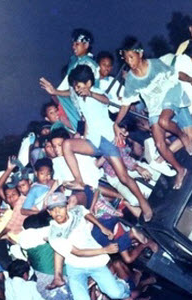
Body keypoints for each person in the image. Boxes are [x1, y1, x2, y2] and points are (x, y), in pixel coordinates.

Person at [46, 64, 154, 221]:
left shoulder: (96, 92)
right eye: (75, 86)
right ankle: (79, 180)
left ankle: (145, 205)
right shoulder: (76, 94)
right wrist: (54, 92)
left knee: (123, 177)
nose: (77, 89)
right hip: (93, 141)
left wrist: (90, 93)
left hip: (107, 141)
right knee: (67, 145)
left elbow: (106, 100)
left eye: (80, 86)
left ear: (89, 83)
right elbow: (69, 93)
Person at [45, 192, 135, 300]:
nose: (57, 212)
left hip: (97, 263)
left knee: (114, 292)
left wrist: (101, 227)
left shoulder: (77, 210)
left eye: (60, 207)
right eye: (53, 210)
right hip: (76, 267)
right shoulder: (54, 234)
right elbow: (77, 252)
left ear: (66, 206)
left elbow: (87, 213)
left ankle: (124, 295)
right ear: (49, 212)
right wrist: (105, 250)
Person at [115, 38, 192, 190]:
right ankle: (180, 170)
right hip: (155, 106)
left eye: (131, 57)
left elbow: (177, 75)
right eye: (126, 59)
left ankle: (183, 136)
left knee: (165, 122)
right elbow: (126, 104)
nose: (129, 62)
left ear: (140, 53)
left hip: (171, 93)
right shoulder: (131, 80)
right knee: (159, 144)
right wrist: (116, 123)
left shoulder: (155, 64)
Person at [39, 28, 99, 134]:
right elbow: (72, 91)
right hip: (81, 111)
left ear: (86, 45)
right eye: (73, 44)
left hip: (89, 110)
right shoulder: (76, 62)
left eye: (77, 44)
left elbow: (79, 91)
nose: (73, 47)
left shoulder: (87, 64)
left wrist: (55, 92)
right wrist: (55, 92)